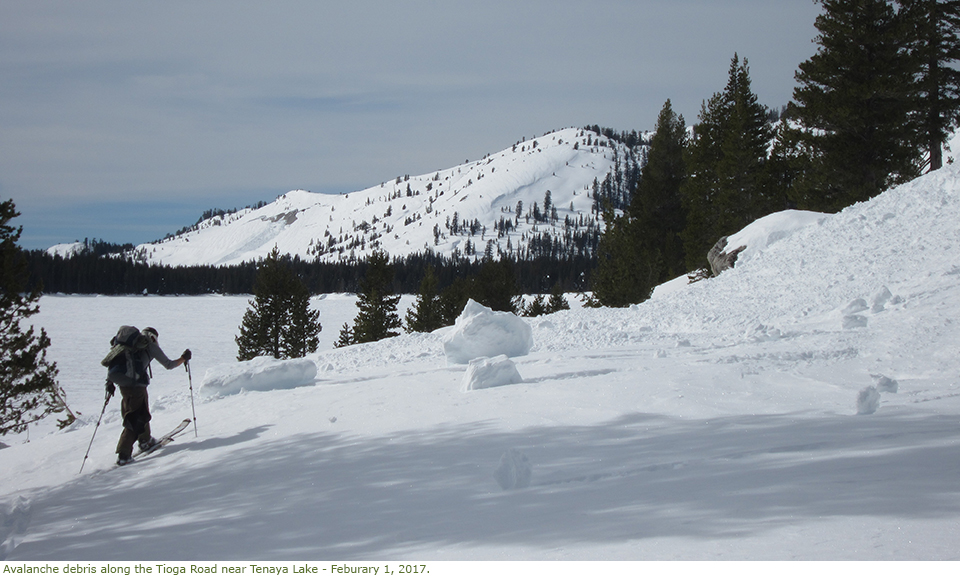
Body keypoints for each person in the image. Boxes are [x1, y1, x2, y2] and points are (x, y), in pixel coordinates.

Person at [105, 326, 191, 466]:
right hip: (137, 385)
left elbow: (115, 361)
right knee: (136, 418)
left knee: (139, 412)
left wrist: (109, 382)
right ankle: (124, 454)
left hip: (123, 384)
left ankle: (145, 440)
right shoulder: (148, 345)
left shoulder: (126, 344)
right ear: (153, 337)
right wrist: (183, 358)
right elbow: (169, 364)